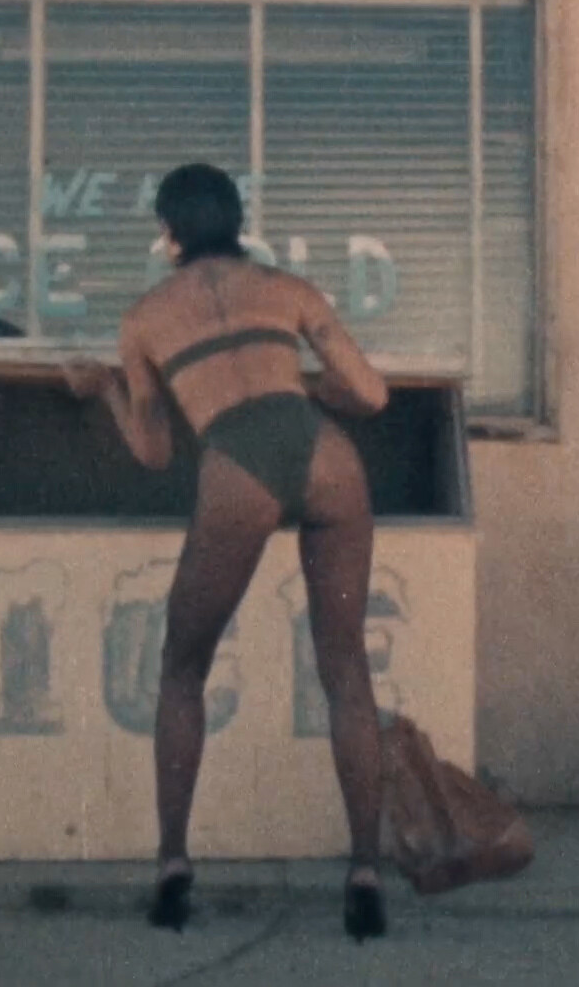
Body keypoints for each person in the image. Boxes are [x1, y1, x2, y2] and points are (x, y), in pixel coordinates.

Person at [64, 162, 391, 941]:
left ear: (169, 234)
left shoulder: (145, 318)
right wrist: (302, 395)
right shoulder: (287, 289)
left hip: (237, 468)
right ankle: (366, 874)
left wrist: (102, 390)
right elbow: (372, 395)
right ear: (238, 222)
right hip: (324, 454)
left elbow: (152, 452)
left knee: (183, 667)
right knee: (347, 672)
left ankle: (174, 867)